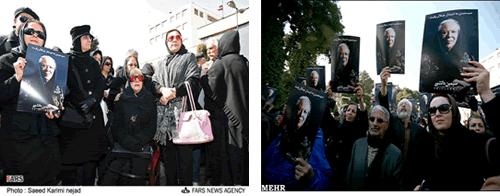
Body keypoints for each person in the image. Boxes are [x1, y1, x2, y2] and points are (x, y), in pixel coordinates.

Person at [0, 19, 62, 185]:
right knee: (17, 184)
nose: (35, 36)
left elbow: (57, 98)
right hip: (17, 145)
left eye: (40, 34)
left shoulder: (50, 63)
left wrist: (56, 108)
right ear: (21, 34)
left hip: (47, 141)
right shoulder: (6, 61)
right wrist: (17, 78)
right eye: (30, 32)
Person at [58, 25, 107, 186]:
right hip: (72, 122)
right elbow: (60, 87)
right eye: (86, 37)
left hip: (92, 122)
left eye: (90, 37)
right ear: (76, 40)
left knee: (90, 168)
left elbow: (100, 85)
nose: (89, 40)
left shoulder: (93, 63)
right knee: (69, 170)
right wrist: (79, 103)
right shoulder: (65, 60)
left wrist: (92, 101)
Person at [200, 30, 249, 185]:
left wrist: (202, 78)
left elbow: (211, 87)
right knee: (242, 157)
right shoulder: (244, 62)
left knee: (227, 156)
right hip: (244, 116)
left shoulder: (220, 63)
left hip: (226, 121)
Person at [152, 29, 200, 186]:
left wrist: (173, 92)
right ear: (166, 42)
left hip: (183, 118)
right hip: (165, 121)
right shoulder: (160, 63)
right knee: (169, 162)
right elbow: (153, 84)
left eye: (177, 37)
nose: (174, 40)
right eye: (170, 38)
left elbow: (193, 81)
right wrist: (161, 92)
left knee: (185, 162)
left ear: (181, 40)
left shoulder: (188, 57)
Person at [262, 96, 332, 190]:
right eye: (299, 109)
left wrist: (311, 178)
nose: (301, 114)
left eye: (305, 111)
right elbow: (264, 159)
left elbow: (326, 180)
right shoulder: (285, 131)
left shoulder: (315, 137)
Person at [101, 68, 156, 185]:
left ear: (143, 80)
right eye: (133, 78)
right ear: (129, 81)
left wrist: (137, 142)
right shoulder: (122, 99)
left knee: (136, 177)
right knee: (108, 177)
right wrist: (128, 142)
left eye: (140, 77)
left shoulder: (150, 99)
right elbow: (117, 126)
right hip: (122, 145)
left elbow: (151, 127)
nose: (136, 80)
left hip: (141, 146)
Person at [378, 66, 427, 190]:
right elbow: (384, 104)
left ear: (411, 111)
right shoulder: (392, 121)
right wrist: (384, 85)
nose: (403, 106)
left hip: (410, 177)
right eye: (401, 105)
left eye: (406, 104)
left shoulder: (419, 130)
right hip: (390, 172)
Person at [345, 105, 403, 190]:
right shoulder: (358, 144)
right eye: (372, 119)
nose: (375, 123)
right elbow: (349, 179)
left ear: (387, 126)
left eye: (379, 121)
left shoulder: (395, 154)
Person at [324, 84, 367, 189]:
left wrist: (360, 100)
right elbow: (326, 118)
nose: (349, 113)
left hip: (346, 174)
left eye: (353, 111)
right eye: (348, 110)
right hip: (330, 170)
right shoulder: (337, 126)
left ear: (356, 115)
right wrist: (327, 98)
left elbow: (364, 121)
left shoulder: (358, 130)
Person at [421, 19, 472, 92]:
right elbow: (425, 84)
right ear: (438, 35)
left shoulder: (468, 58)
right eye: (444, 32)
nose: (449, 36)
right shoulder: (427, 59)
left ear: (458, 34)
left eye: (453, 32)